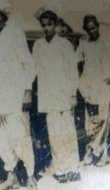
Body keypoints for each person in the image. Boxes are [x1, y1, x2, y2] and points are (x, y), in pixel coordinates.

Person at [0, 0, 37, 190]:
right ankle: (11, 176)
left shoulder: (15, 33)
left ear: (4, 16)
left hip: (14, 96)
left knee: (20, 137)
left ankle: (30, 176)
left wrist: (27, 91)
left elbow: (28, 64)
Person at [76, 15, 110, 167]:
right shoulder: (84, 44)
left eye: (93, 28)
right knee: (91, 123)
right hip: (88, 89)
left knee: (103, 121)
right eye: (88, 29)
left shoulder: (109, 42)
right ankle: (96, 152)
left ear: (98, 26)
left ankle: (98, 152)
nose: (91, 31)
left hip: (104, 87)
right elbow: (75, 61)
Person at [32, 10, 80, 183]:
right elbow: (33, 70)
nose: (46, 28)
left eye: (49, 24)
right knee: (54, 134)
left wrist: (73, 94)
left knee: (67, 133)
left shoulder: (65, 44)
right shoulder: (38, 46)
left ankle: (73, 168)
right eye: (43, 25)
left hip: (64, 95)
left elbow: (72, 71)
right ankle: (60, 167)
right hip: (48, 96)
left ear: (55, 24)